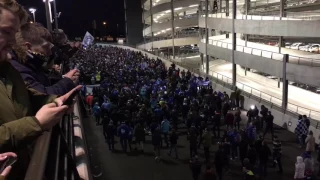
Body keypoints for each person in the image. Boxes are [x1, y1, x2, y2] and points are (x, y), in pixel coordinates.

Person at [0, 4, 81, 179]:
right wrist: (36, 123)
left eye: (14, 34)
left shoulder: (7, 69)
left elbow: (28, 95)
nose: (14, 42)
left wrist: (54, 102)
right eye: (6, 32)